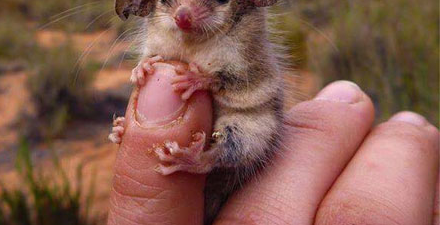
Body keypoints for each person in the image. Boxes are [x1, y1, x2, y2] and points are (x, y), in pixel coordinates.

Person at [107, 63, 439, 225]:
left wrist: (212, 81)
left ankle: (206, 158)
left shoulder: (245, 55)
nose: (183, 15)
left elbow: (255, 93)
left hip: (233, 159)